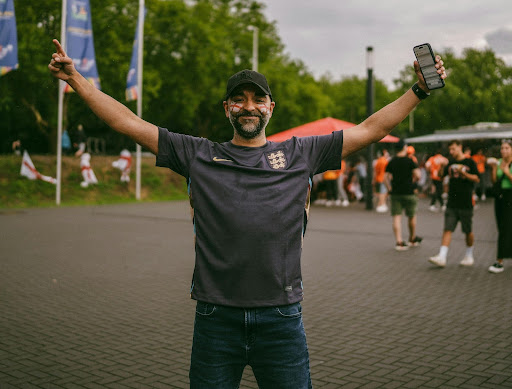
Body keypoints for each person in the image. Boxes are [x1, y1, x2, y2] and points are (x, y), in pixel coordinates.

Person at [48, 38, 446, 389]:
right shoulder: (198, 154)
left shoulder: (299, 153)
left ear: (271, 106)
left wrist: (419, 90)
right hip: (215, 317)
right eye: (239, 99)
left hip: (281, 317)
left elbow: (372, 128)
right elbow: (127, 122)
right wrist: (76, 80)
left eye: (257, 99)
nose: (249, 107)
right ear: (227, 108)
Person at [429, 140, 480, 268]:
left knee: (467, 231)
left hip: (466, 202)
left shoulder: (470, 162)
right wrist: (441, 166)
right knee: (447, 229)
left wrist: (464, 174)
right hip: (452, 201)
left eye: (453, 149)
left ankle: (469, 255)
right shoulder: (450, 162)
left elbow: (477, 178)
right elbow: (441, 176)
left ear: (460, 147)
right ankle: (442, 256)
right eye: (450, 150)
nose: (451, 152)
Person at [385, 140, 422, 251]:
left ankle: (399, 242)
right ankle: (412, 238)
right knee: (412, 216)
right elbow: (418, 175)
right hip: (409, 192)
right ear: (404, 147)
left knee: (397, 217)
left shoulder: (391, 161)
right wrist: (413, 181)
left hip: (395, 192)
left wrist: (389, 188)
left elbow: (385, 178)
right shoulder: (410, 161)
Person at [488, 140, 512, 273]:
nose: (504, 151)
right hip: (500, 197)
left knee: (505, 228)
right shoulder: (498, 162)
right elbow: (494, 181)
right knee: (501, 226)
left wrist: (507, 172)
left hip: (510, 196)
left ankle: (499, 260)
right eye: (502, 148)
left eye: (507, 148)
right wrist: (493, 169)